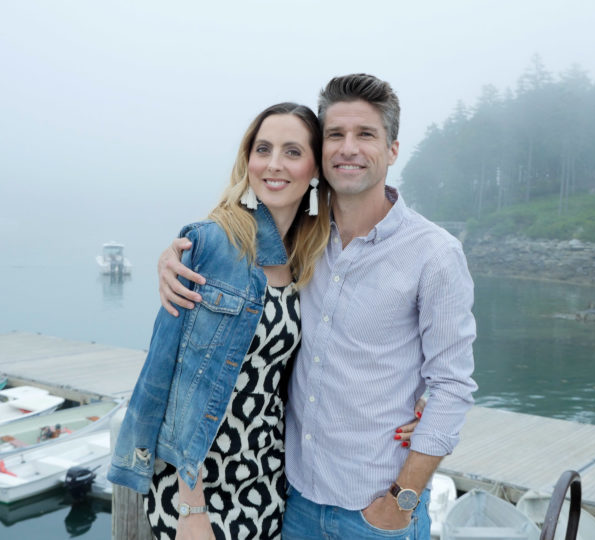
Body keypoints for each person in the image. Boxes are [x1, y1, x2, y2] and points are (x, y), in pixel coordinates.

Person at [158, 74, 477, 539]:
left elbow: (452, 386)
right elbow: (228, 245)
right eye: (335, 135)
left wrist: (401, 502)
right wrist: (174, 255)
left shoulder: (435, 254)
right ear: (320, 152)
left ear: (392, 150)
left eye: (365, 134)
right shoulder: (300, 239)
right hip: (294, 501)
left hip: (376, 512)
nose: (348, 148)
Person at [109, 100, 420, 540]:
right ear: (247, 160)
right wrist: (191, 507)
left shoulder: (308, 252)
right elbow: (181, 383)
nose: (274, 164)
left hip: (269, 482)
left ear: (315, 169)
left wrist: (420, 394)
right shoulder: (214, 243)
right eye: (263, 149)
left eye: (292, 152)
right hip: (200, 486)